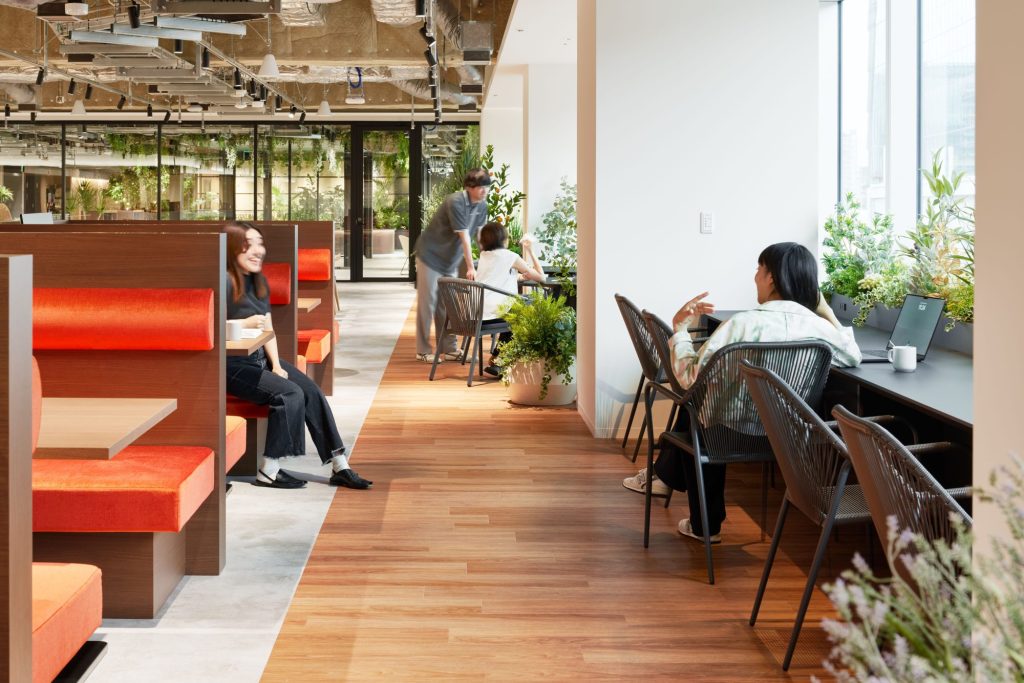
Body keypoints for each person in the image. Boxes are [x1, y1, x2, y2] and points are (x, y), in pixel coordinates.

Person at [622, 242, 860, 542]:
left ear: (771, 277)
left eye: (759, 269)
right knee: (700, 403)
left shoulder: (741, 324)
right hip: (788, 440)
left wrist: (680, 330)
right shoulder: (821, 330)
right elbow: (853, 355)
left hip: (726, 437)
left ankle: (701, 522)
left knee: (696, 405)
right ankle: (665, 477)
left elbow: (687, 378)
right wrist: (826, 312)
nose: (755, 277)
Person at [224, 222, 372, 491]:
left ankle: (340, 465)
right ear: (233, 248)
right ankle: (269, 470)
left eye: (260, 243)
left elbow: (268, 328)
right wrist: (245, 324)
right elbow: (210, 327)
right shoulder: (223, 281)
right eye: (249, 244)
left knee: (312, 392)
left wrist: (276, 365)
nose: (258, 250)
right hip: (233, 366)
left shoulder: (258, 281)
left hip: (259, 359)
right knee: (290, 394)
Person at [415, 168, 491, 363]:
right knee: (428, 302)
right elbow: (465, 238)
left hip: (450, 260)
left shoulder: (482, 206)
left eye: (486, 186)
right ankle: (422, 350)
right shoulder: (455, 201)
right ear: (469, 187)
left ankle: (449, 349)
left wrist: (488, 260)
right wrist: (471, 267)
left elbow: (480, 237)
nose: (484, 190)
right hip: (431, 256)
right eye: (480, 187)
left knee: (448, 304)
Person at [474, 222, 547, 377]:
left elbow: (494, 277)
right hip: (495, 313)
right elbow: (541, 277)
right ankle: (504, 361)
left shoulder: (484, 256)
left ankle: (498, 358)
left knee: (516, 311)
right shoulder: (510, 256)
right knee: (524, 313)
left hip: (479, 311)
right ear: (503, 239)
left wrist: (517, 277)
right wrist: (530, 250)